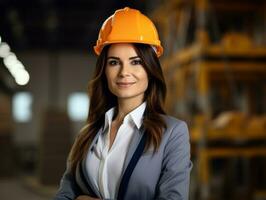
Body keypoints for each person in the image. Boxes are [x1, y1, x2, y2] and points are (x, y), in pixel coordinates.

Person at [54, 7, 192, 200]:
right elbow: (65, 194)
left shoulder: (172, 133)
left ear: (150, 69)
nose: (124, 72)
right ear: (104, 70)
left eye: (135, 62)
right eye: (114, 62)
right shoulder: (87, 134)